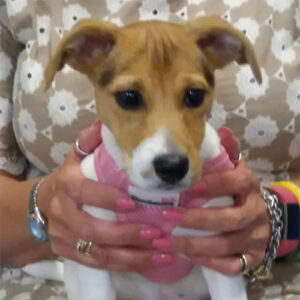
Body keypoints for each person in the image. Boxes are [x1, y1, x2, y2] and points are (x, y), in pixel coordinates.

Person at [0, 0, 299, 299]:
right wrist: (44, 209)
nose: (170, 148)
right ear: (82, 53)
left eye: (193, 96)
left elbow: (224, 268)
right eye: (131, 98)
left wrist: (284, 213)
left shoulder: (214, 163)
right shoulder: (97, 174)